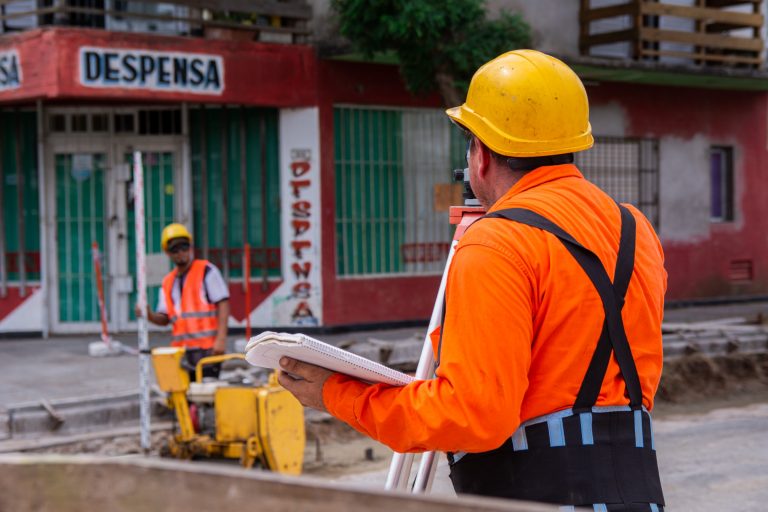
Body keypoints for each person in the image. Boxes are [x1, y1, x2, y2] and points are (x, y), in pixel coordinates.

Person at [278, 50, 666, 511]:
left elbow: (472, 415)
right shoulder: (634, 228)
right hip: (636, 496)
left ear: (480, 155)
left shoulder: (496, 243)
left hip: (539, 498)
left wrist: (336, 392)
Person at [136, 223, 230, 380]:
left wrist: (221, 339)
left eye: (184, 247)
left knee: (205, 397)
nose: (181, 253)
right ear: (167, 252)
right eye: (175, 249)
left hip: (208, 349)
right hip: (181, 352)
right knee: (183, 400)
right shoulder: (167, 283)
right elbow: (165, 318)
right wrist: (149, 314)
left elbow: (223, 303)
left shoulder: (206, 271)